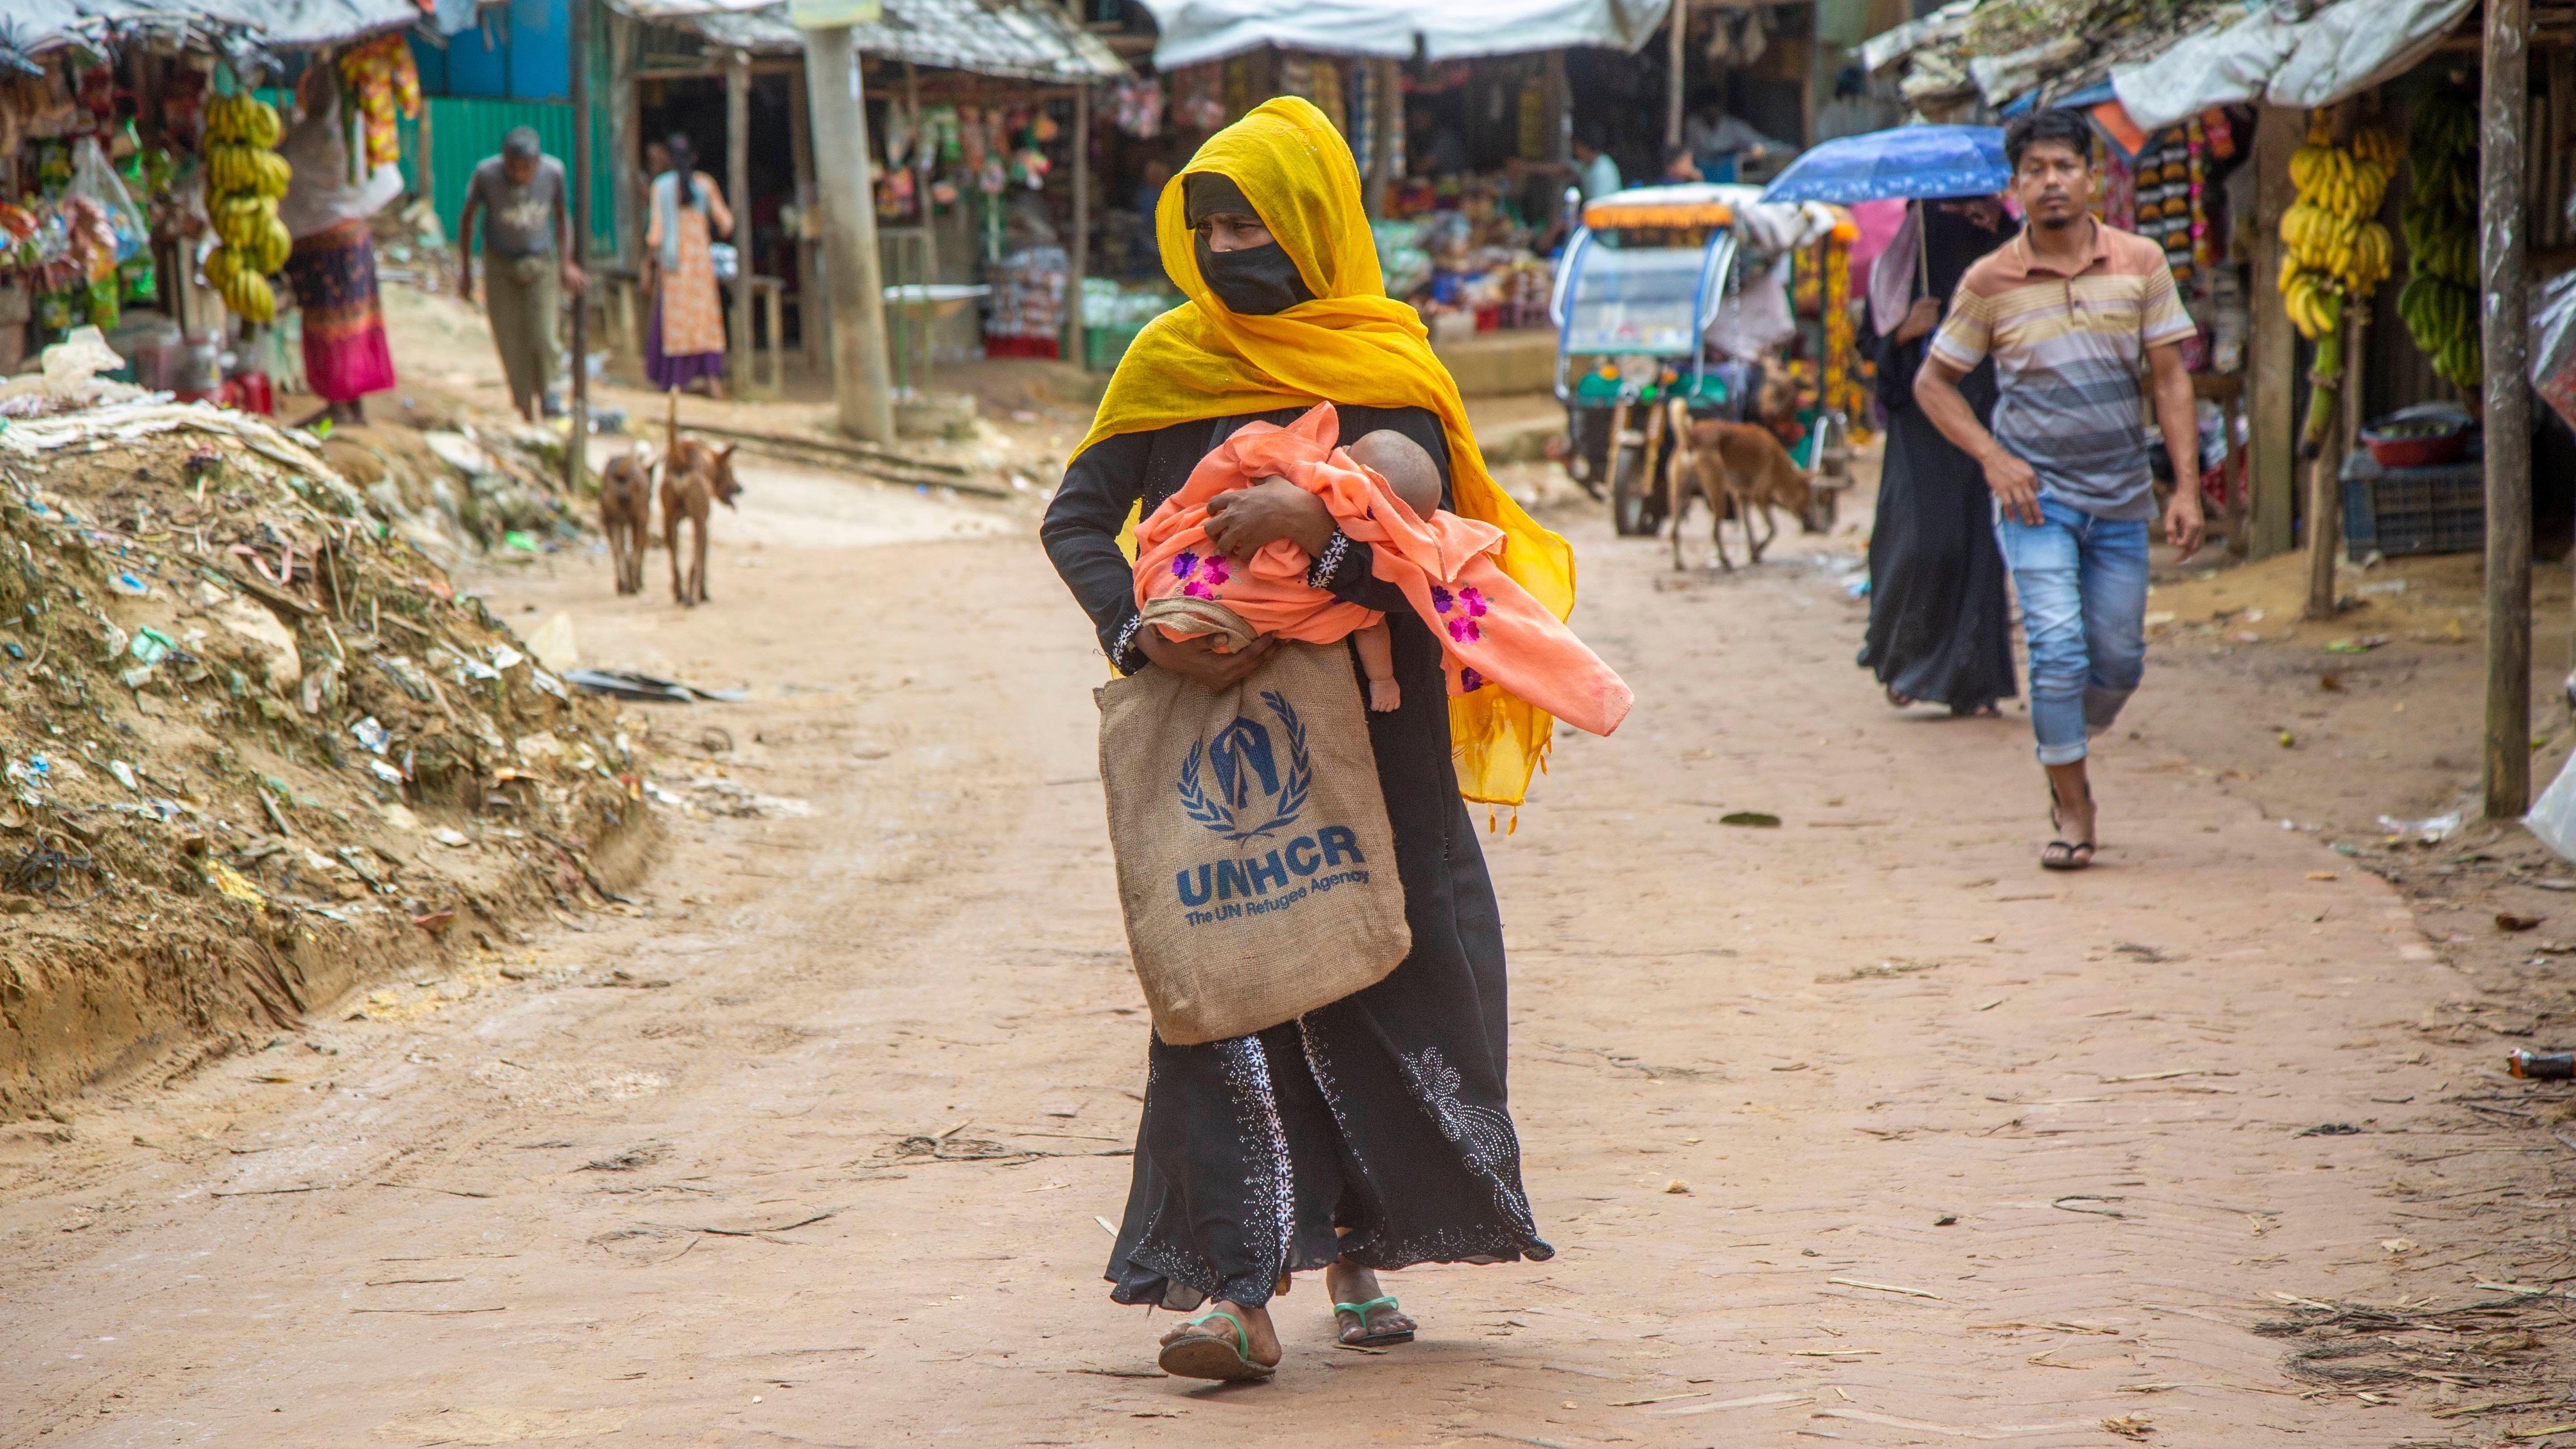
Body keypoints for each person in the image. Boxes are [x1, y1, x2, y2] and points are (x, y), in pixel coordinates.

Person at [1042, 96, 1574, 1383]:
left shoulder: (1391, 365)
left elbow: (1442, 569)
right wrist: (1142, 628)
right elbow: (1076, 520)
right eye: (1209, 224)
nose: (1230, 247)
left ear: (1318, 227)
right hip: (1214, 733)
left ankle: (1356, 1246)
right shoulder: (1168, 360)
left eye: (1256, 222)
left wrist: (1317, 530)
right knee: (1222, 983)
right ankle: (1233, 1291)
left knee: (1380, 971)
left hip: (1382, 740)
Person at [1914, 109, 2204, 872]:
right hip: (2034, 498)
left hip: (2121, 497)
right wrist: (1992, 458)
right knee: (2057, 650)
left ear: (2091, 176)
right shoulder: (1990, 281)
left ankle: (2065, 738)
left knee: (2118, 660)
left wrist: (2187, 490)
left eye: (2063, 168)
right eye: (2035, 170)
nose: (2051, 183)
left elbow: (2172, 378)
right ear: (2014, 187)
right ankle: (2072, 804)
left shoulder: (2141, 263)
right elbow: (1934, 384)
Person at [1857, 196, 2018, 716]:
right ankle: (1906, 663)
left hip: (1984, 411)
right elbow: (1872, 346)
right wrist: (1905, 330)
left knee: (1980, 546)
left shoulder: (2003, 237)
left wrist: (2001, 230)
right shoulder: (1905, 257)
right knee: (1924, 541)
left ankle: (1976, 683)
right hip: (1919, 426)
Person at [277, 61, 399, 427]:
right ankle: (354, 406)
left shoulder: (304, 138)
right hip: (354, 241)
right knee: (356, 321)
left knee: (328, 323)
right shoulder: (352, 132)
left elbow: (282, 175)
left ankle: (339, 406)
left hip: (319, 248)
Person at [458, 127, 585, 421]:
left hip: (541, 262)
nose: (519, 174)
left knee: (543, 332)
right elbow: (468, 218)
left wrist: (567, 263)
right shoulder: (486, 175)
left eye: (526, 168)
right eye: (512, 167)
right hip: (499, 264)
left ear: (537, 163)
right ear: (504, 161)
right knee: (510, 338)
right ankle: (524, 405)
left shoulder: (554, 173)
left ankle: (551, 394)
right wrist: (465, 271)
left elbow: (563, 216)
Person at [642, 133, 733, 398]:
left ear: (669, 158)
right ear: (693, 157)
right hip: (701, 266)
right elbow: (727, 224)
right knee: (705, 321)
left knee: (677, 322)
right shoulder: (705, 185)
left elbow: (656, 234)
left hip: (674, 266)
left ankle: (677, 382)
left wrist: (646, 266)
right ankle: (713, 381)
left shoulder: (661, 187)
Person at [1570, 127, 1621, 204]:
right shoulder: (1586, 165)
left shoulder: (1603, 171)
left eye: (1577, 147)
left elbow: (1598, 205)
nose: (1574, 151)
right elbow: (1565, 169)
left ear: (1586, 147)